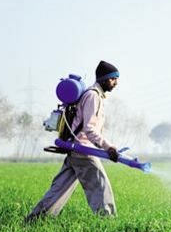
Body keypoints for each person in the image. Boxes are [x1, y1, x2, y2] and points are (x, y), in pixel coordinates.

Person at [25, 61, 121, 221]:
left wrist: (103, 147)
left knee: (59, 189)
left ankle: (36, 219)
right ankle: (108, 221)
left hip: (76, 148)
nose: (116, 83)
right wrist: (108, 147)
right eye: (113, 79)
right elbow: (89, 129)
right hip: (82, 150)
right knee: (100, 185)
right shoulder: (93, 96)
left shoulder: (96, 95)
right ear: (104, 79)